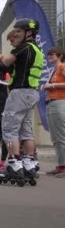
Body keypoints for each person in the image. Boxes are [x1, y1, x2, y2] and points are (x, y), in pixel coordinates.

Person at [0, 18, 43, 184]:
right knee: (26, 130)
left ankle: (14, 162)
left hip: (20, 93)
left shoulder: (23, 48)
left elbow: (2, 65)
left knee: (9, 129)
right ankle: (29, 162)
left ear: (28, 33)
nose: (16, 34)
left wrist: (5, 60)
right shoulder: (38, 50)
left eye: (19, 32)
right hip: (32, 93)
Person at [42, 47, 65, 177]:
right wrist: (46, 86)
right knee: (56, 138)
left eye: (52, 54)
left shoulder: (62, 67)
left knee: (61, 136)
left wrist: (52, 86)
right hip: (51, 103)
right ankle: (61, 165)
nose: (49, 56)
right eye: (48, 54)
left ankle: (63, 166)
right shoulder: (53, 71)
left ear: (60, 55)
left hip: (60, 102)